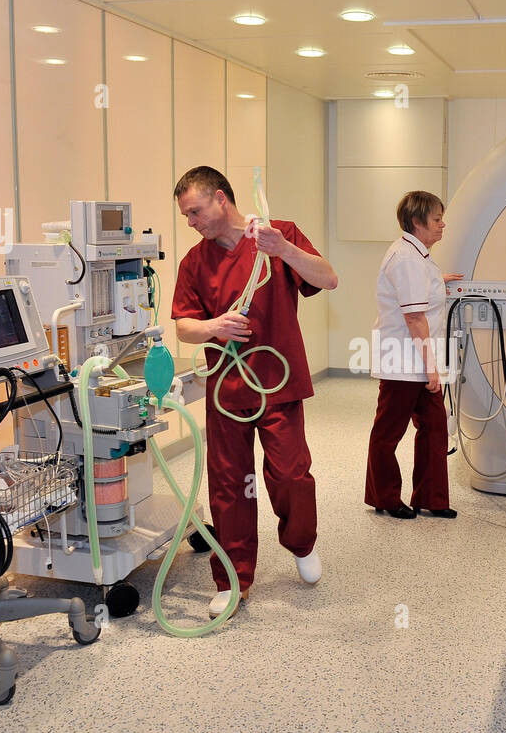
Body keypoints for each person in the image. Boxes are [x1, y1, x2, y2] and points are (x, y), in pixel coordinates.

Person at [171, 166, 338, 618]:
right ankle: (233, 577)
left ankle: (301, 543)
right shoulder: (194, 263)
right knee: (230, 485)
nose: (192, 222)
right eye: (186, 215)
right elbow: (185, 326)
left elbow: (328, 278)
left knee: (290, 475)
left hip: (277, 384)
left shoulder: (277, 235)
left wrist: (283, 250)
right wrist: (213, 326)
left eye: (195, 211)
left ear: (221, 199)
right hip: (227, 387)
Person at [365, 191, 462, 520]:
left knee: (434, 427)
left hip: (417, 360)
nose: (442, 224)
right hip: (404, 361)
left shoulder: (417, 256)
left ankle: (431, 497)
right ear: (418, 222)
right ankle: (384, 497)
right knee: (388, 432)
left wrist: (439, 281)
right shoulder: (406, 258)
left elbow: (417, 290)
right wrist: (431, 369)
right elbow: (413, 317)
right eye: (436, 219)